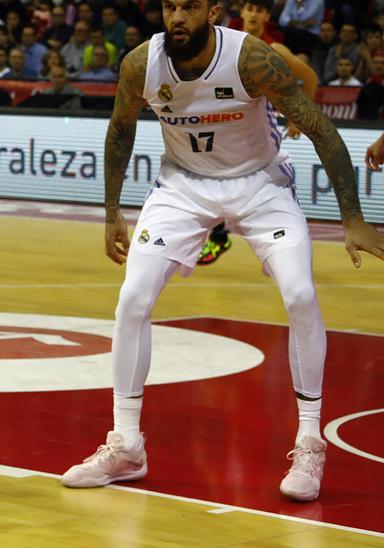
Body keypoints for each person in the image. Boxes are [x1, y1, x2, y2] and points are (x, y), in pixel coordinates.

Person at [63, 0, 384, 502]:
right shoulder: (139, 64)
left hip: (261, 185)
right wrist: (111, 210)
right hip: (181, 187)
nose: (177, 17)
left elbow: (319, 127)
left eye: (189, 7)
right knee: (132, 299)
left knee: (300, 294)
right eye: (170, 6)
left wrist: (353, 218)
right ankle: (126, 445)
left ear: (213, 11)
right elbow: (121, 129)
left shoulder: (252, 59)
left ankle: (308, 442)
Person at [199, 0, 321, 266]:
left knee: (265, 185)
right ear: (241, 12)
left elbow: (310, 78)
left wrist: (297, 118)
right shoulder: (222, 42)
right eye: (249, 9)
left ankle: (286, 242)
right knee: (216, 175)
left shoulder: (273, 48)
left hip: (261, 128)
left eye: (258, 10)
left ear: (266, 16)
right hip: (229, 124)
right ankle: (219, 237)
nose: (253, 15)